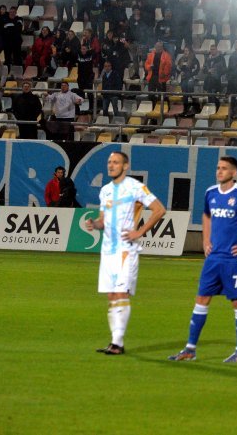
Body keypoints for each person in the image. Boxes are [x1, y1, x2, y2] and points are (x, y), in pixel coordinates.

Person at [167, 156, 237, 363]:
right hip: (213, 260)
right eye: (218, 168)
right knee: (201, 300)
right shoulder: (211, 193)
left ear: (234, 173)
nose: (219, 171)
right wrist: (205, 240)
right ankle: (190, 349)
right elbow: (206, 215)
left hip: (234, 259)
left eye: (224, 168)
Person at [83, 151, 166, 355]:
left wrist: (139, 232)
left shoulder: (136, 187)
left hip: (126, 249)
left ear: (125, 166)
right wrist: (95, 223)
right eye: (109, 162)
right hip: (107, 250)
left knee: (121, 293)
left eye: (116, 162)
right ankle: (114, 342)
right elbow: (103, 220)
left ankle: (118, 344)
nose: (111, 165)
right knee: (112, 295)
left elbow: (159, 209)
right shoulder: (105, 191)